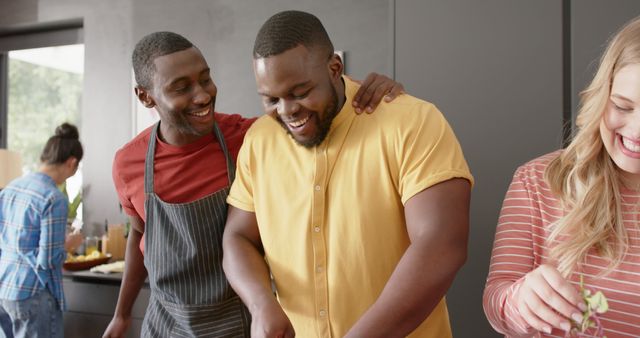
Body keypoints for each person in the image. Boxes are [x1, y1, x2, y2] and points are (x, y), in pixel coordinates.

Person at [103, 30, 405, 338]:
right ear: (145, 96)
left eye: (205, 79)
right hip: (167, 325)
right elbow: (140, 234)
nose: (203, 95)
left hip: (245, 321)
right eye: (181, 88)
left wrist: (362, 89)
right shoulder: (128, 164)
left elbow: (313, 105)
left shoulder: (250, 137)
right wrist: (122, 314)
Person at [222, 10, 473, 338]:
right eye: (271, 99)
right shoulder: (259, 140)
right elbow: (238, 237)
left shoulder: (411, 121)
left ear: (334, 67)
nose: (286, 110)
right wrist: (261, 304)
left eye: (300, 92)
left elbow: (441, 244)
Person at [483, 16, 640, 338]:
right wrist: (520, 300)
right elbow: (496, 300)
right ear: (601, 98)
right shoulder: (539, 180)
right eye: (622, 107)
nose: (637, 131)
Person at [0, 123, 84, 338]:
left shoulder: (10, 188)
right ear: (72, 163)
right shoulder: (53, 198)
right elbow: (48, 260)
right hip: (34, 293)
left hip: (5, 288)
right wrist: (69, 245)